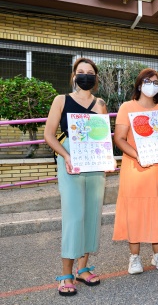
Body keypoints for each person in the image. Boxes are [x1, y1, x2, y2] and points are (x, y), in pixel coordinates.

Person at [44, 58, 112, 296]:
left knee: (92, 215)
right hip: (71, 162)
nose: (85, 76)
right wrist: (66, 155)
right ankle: (66, 273)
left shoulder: (100, 103)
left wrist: (107, 159)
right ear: (74, 76)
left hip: (94, 163)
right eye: (81, 72)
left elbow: (103, 136)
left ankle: (82, 269)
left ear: (96, 78)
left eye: (90, 72)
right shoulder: (61, 100)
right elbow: (49, 135)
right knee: (74, 216)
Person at [112, 68, 158, 274]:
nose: (152, 85)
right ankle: (134, 258)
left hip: (157, 169)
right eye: (148, 81)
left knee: (157, 209)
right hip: (134, 168)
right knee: (135, 211)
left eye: (156, 82)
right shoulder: (126, 107)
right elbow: (119, 138)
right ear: (139, 84)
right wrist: (137, 155)